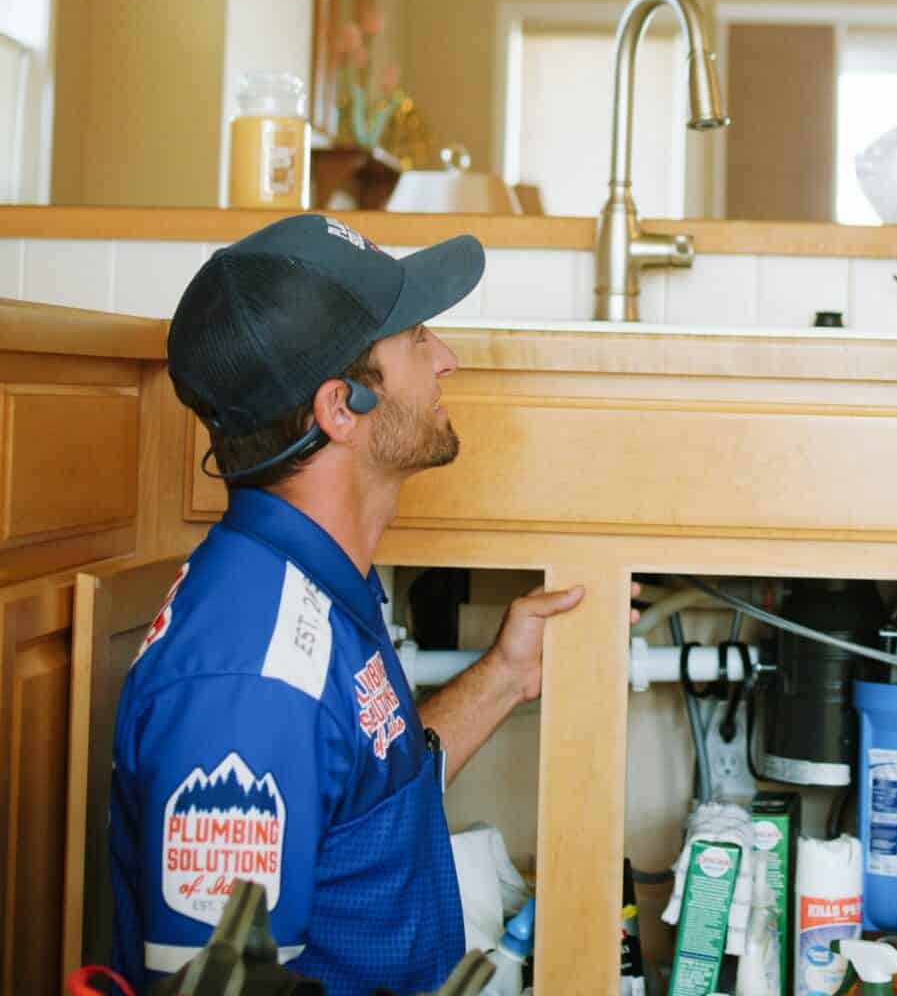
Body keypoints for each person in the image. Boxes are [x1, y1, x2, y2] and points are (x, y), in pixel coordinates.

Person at [108, 214, 588, 996]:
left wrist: (506, 675)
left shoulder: (313, 580)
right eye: (416, 340)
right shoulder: (247, 693)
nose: (447, 359)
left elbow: (360, 803)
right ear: (342, 407)